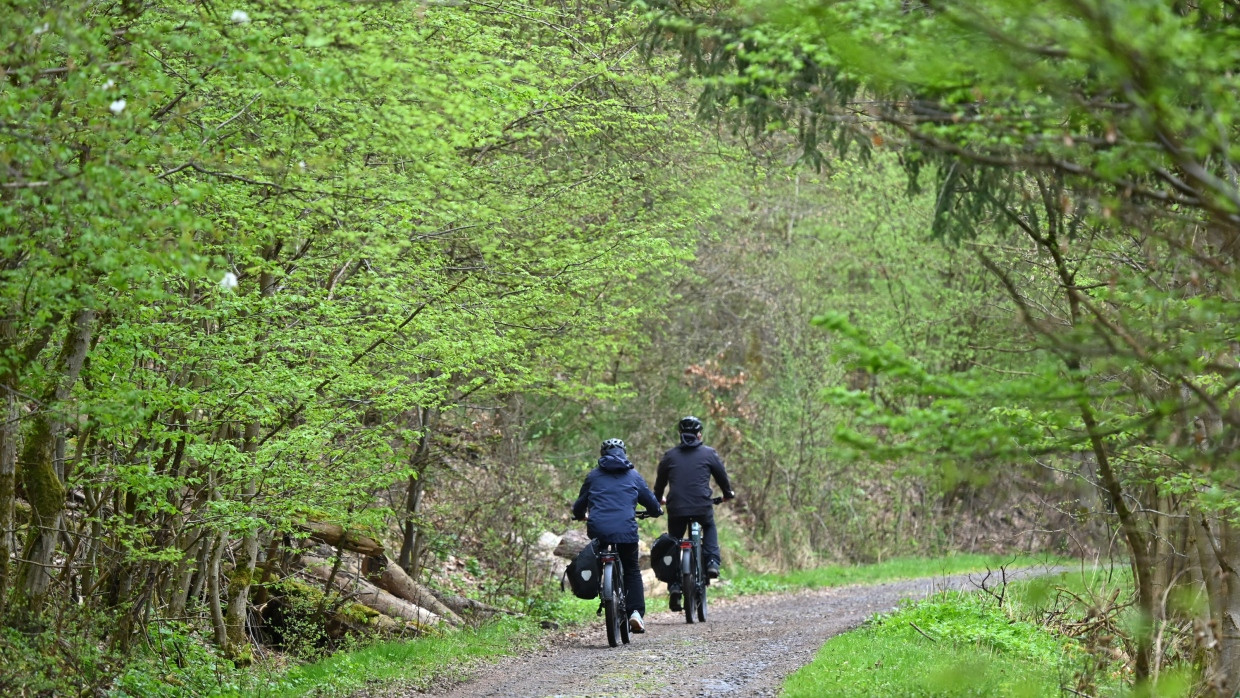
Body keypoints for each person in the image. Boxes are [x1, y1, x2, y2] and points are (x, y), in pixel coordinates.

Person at [572, 438, 662, 633]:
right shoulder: (633, 475)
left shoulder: (594, 476)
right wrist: (655, 512)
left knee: (600, 554)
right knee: (631, 569)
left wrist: (580, 515)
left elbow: (579, 504)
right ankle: (636, 613)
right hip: (626, 532)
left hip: (599, 529)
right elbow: (652, 503)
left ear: (602, 454)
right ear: (624, 453)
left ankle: (602, 587)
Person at [654, 416, 734, 610]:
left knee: (674, 541)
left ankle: (674, 585)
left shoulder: (670, 456)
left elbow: (659, 484)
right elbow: (722, 477)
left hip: (677, 508)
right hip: (702, 507)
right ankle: (712, 562)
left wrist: (658, 498)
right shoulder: (709, 454)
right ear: (699, 434)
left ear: (680, 434)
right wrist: (727, 494)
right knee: (709, 526)